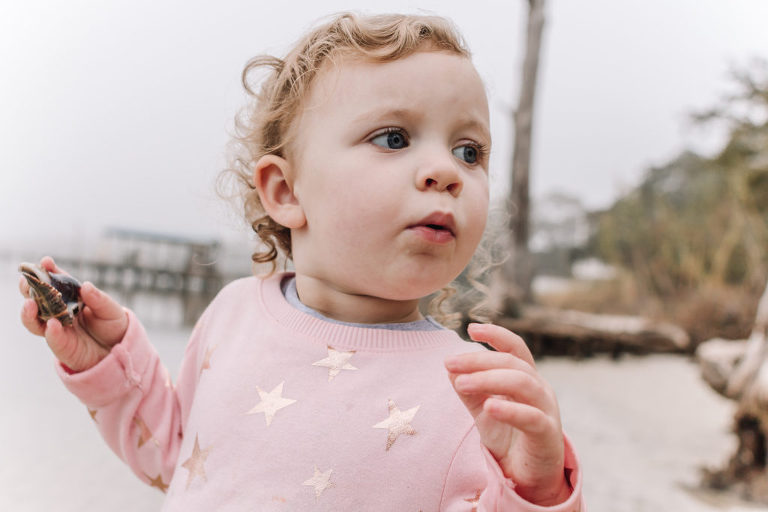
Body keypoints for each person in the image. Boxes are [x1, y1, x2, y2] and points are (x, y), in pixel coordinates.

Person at [19, 12, 584, 511]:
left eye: (470, 151)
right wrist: (109, 366)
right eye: (393, 139)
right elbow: (174, 457)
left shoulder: (472, 393)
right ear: (286, 192)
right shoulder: (233, 314)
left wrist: (533, 488)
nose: (447, 170)